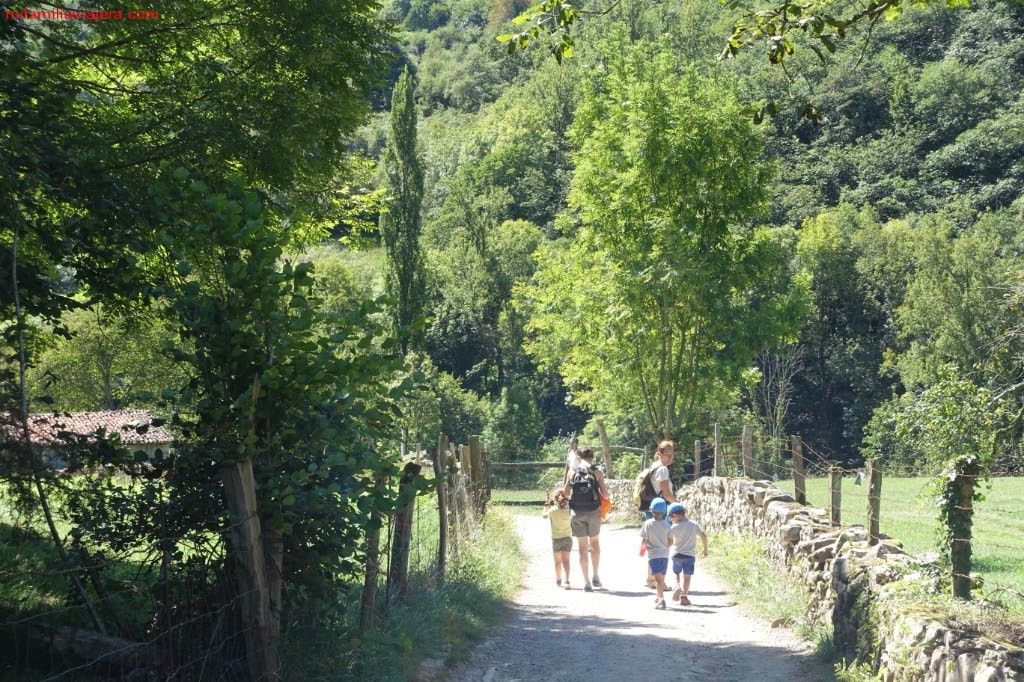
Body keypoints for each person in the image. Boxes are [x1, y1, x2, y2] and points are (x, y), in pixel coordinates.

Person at [562, 446, 610, 591]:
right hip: (594, 511)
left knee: (582, 548)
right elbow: (605, 494)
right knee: (594, 543)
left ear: (579, 457)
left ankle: (586, 582)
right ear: (592, 457)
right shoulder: (597, 471)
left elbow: (565, 493)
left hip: (577, 512)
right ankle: (596, 575)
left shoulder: (572, 471)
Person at [644, 440, 677, 588]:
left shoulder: (653, 466)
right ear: (660, 454)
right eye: (667, 454)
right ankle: (658, 581)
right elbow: (666, 493)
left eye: (672, 454)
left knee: (653, 547)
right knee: (662, 549)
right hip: (661, 514)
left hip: (652, 511)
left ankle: (651, 578)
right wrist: (678, 505)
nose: (670, 458)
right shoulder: (662, 469)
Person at [667, 501, 708, 605]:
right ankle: (684, 597)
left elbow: (670, 542)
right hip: (689, 556)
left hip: (677, 555)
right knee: (687, 577)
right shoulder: (693, 524)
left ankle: (676, 586)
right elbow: (703, 535)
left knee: (676, 573)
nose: (670, 519)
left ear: (677, 515)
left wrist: (664, 547)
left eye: (671, 516)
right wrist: (705, 548)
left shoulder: (673, 528)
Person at [640, 497, 672, 609]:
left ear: (651, 510)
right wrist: (665, 546)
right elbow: (670, 541)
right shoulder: (668, 525)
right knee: (661, 577)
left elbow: (645, 540)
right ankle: (658, 597)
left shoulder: (648, 524)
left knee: (658, 580)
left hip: (653, 555)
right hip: (664, 555)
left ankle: (661, 599)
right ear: (664, 512)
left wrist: (642, 549)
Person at [543, 490, 573, 589]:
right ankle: (567, 580)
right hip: (567, 537)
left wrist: (546, 505)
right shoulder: (568, 510)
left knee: (557, 561)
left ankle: (558, 579)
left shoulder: (552, 510)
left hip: (556, 538)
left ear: (555, 499)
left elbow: (544, 516)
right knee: (566, 561)